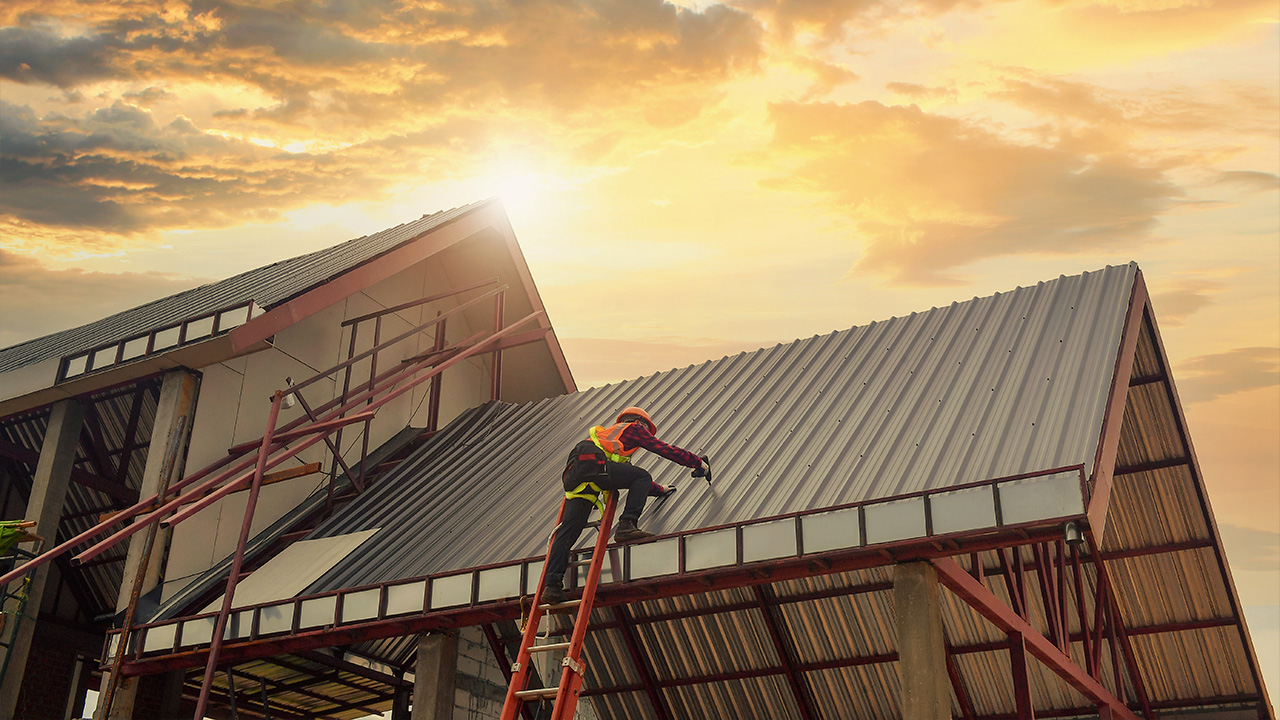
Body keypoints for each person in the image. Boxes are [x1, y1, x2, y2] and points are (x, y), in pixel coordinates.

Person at [541, 406, 708, 605]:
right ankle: (627, 525)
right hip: (594, 465)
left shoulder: (610, 441)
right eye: (646, 428)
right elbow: (663, 450)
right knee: (642, 475)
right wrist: (697, 463)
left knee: (568, 533)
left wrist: (660, 490)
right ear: (638, 422)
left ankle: (552, 587)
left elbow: (627, 475)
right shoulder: (633, 429)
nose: (645, 432)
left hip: (577, 473)